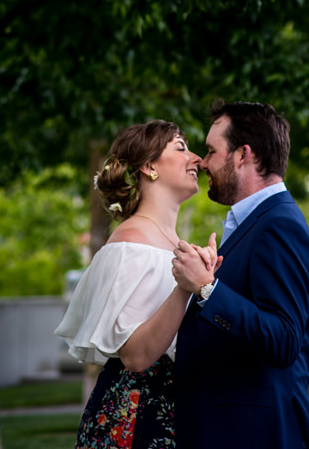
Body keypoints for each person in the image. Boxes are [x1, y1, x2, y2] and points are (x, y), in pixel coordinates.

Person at [171, 101, 309, 449]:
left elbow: (283, 339)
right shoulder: (257, 221)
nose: (202, 162)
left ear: (243, 154)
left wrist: (206, 288)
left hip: (251, 433)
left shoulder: (279, 226)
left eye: (212, 151)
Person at [56, 120, 208, 448]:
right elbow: (136, 357)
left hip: (175, 409)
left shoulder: (174, 242)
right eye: (181, 148)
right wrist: (185, 287)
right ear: (150, 167)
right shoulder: (131, 242)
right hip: (136, 417)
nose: (196, 158)